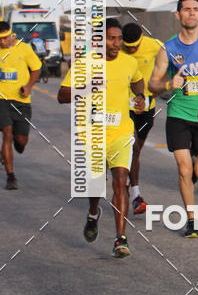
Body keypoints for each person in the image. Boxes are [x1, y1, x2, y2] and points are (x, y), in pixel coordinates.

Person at [58, 18, 145, 257]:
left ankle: (120, 239)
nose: (117, 43)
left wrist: (140, 98)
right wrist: (86, 88)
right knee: (96, 185)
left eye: (119, 38)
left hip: (121, 133)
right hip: (92, 135)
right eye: (111, 38)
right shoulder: (85, 64)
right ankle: (93, 212)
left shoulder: (129, 62)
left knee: (120, 183)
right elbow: (62, 95)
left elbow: (138, 81)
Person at [148, 0, 198, 238]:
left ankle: (194, 165)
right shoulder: (168, 48)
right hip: (179, 114)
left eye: (196, 9)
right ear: (178, 15)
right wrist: (169, 84)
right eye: (186, 10)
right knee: (184, 170)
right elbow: (153, 84)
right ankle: (192, 221)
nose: (191, 13)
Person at [121, 23, 163, 214]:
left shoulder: (154, 45)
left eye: (135, 46)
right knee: (133, 146)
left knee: (136, 151)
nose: (131, 49)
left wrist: (159, 85)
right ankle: (137, 196)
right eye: (127, 46)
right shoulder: (115, 48)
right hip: (123, 107)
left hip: (147, 106)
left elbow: (171, 62)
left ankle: (128, 179)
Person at [0, 21, 41, 190]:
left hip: (22, 101)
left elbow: (36, 69)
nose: (1, 42)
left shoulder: (24, 49)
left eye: (4, 38)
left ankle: (16, 145)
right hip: (2, 99)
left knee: (21, 141)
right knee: (7, 133)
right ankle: (11, 176)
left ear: (11, 35)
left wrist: (29, 86)